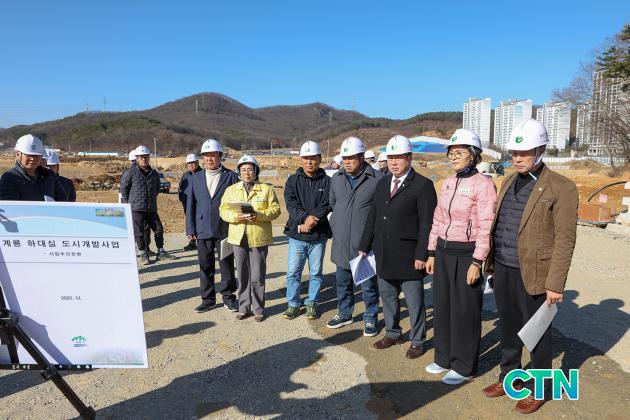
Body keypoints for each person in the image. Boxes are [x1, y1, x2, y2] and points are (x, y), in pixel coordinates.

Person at [482, 120, 578, 414]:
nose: (517, 158)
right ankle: (509, 376)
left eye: (524, 152)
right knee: (508, 328)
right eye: (514, 153)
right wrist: (491, 265)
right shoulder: (509, 180)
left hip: (536, 274)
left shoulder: (561, 187)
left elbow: (565, 240)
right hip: (504, 267)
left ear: (540, 150)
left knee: (537, 334)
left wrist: (555, 284)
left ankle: (541, 388)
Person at [424, 129, 497, 385]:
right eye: (451, 153)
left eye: (459, 153)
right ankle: (443, 357)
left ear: (474, 156)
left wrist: (478, 261)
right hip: (444, 251)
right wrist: (431, 252)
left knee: (465, 311)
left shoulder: (484, 184)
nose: (453, 157)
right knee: (443, 306)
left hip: (467, 253)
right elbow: (438, 219)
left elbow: (486, 226)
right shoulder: (448, 182)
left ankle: (464, 366)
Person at [358, 135, 436, 358]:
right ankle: (392, 332)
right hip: (384, 252)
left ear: (409, 158)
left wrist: (423, 254)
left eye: (398, 157)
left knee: (414, 302)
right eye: (390, 157)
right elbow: (373, 216)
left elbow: (427, 224)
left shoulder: (423, 185)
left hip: (410, 256)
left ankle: (417, 340)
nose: (393, 162)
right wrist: (364, 245)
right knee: (388, 297)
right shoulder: (383, 183)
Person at [327, 136, 382, 336]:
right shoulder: (337, 178)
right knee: (342, 283)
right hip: (342, 241)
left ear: (361, 157)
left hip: (364, 245)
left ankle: (370, 317)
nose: (347, 162)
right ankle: (344, 313)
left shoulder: (376, 179)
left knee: (367, 285)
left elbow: (381, 211)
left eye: (351, 158)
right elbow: (333, 204)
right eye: (344, 158)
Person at [220, 155, 280, 321]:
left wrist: (258, 215)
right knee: (242, 274)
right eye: (243, 170)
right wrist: (236, 217)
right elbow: (223, 210)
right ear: (239, 172)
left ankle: (258, 309)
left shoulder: (266, 189)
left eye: (250, 170)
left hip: (258, 238)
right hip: (238, 238)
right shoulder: (231, 190)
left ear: (256, 171)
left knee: (257, 275)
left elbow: (275, 210)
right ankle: (243, 307)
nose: (247, 173)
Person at [186, 140, 240, 313]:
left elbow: (236, 202)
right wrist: (190, 228)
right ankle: (208, 299)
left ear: (220, 156)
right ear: (202, 158)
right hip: (202, 227)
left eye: (213, 155)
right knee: (205, 265)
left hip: (224, 227)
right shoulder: (195, 178)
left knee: (227, 265)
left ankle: (229, 297)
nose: (209, 159)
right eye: (206, 155)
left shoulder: (230, 176)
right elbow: (190, 204)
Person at [282, 140, 332, 320]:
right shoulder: (292, 180)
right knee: (293, 273)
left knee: (316, 273)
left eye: (313, 158)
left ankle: (312, 302)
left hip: (318, 235)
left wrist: (312, 220)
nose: (309, 162)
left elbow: (328, 203)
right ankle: (293, 304)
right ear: (301, 159)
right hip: (297, 236)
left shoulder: (328, 181)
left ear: (319, 159)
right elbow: (291, 204)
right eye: (306, 158)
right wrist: (304, 218)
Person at [120, 145, 175, 265]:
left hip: (151, 208)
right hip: (136, 209)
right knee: (139, 232)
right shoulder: (130, 173)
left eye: (145, 157)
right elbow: (124, 189)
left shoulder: (154, 173)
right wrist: (130, 202)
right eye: (141, 157)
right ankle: (143, 253)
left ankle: (161, 251)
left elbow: (157, 189)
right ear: (137, 158)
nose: (144, 159)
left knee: (158, 229)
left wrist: (150, 199)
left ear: (149, 158)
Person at [0, 134, 67, 201]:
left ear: (41, 156)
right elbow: (10, 204)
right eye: (28, 155)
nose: (32, 159)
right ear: (18, 155)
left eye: (36, 155)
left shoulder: (49, 175)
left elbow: (62, 200)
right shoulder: (10, 178)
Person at [180, 153, 202, 251]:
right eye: (189, 163)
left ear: (197, 162)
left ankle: (202, 242)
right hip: (187, 204)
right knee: (190, 223)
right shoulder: (185, 175)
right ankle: (192, 242)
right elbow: (180, 188)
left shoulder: (203, 174)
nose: (191, 165)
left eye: (193, 162)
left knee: (200, 222)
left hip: (199, 204)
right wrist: (182, 198)